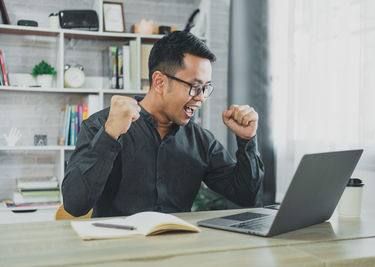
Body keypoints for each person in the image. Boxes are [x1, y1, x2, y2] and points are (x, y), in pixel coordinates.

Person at [62, 31, 264, 217]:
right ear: (159, 82)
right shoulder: (100, 125)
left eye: (206, 88)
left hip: (179, 250)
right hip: (118, 249)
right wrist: (109, 135)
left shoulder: (201, 141)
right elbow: (74, 205)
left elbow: (246, 196)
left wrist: (247, 140)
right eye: (195, 87)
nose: (201, 98)